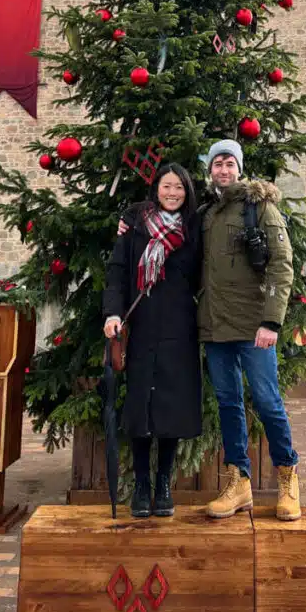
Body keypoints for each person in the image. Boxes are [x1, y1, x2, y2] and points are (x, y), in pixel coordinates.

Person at [198, 139, 301, 521]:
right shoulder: (207, 214)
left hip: (254, 327)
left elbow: (282, 264)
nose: (223, 170)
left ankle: (288, 476)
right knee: (228, 404)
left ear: (238, 168)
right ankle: (238, 482)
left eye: (229, 163)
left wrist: (271, 320)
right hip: (215, 327)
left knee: (268, 402)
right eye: (217, 164)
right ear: (209, 170)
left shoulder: (260, 208)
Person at [104, 163, 202, 519]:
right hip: (143, 325)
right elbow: (117, 272)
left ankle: (163, 483)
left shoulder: (195, 227)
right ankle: (142, 484)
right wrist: (112, 314)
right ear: (156, 189)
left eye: (179, 187)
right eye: (166, 186)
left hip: (180, 327)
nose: (172, 193)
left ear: (187, 191)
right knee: (141, 405)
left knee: (171, 407)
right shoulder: (135, 225)